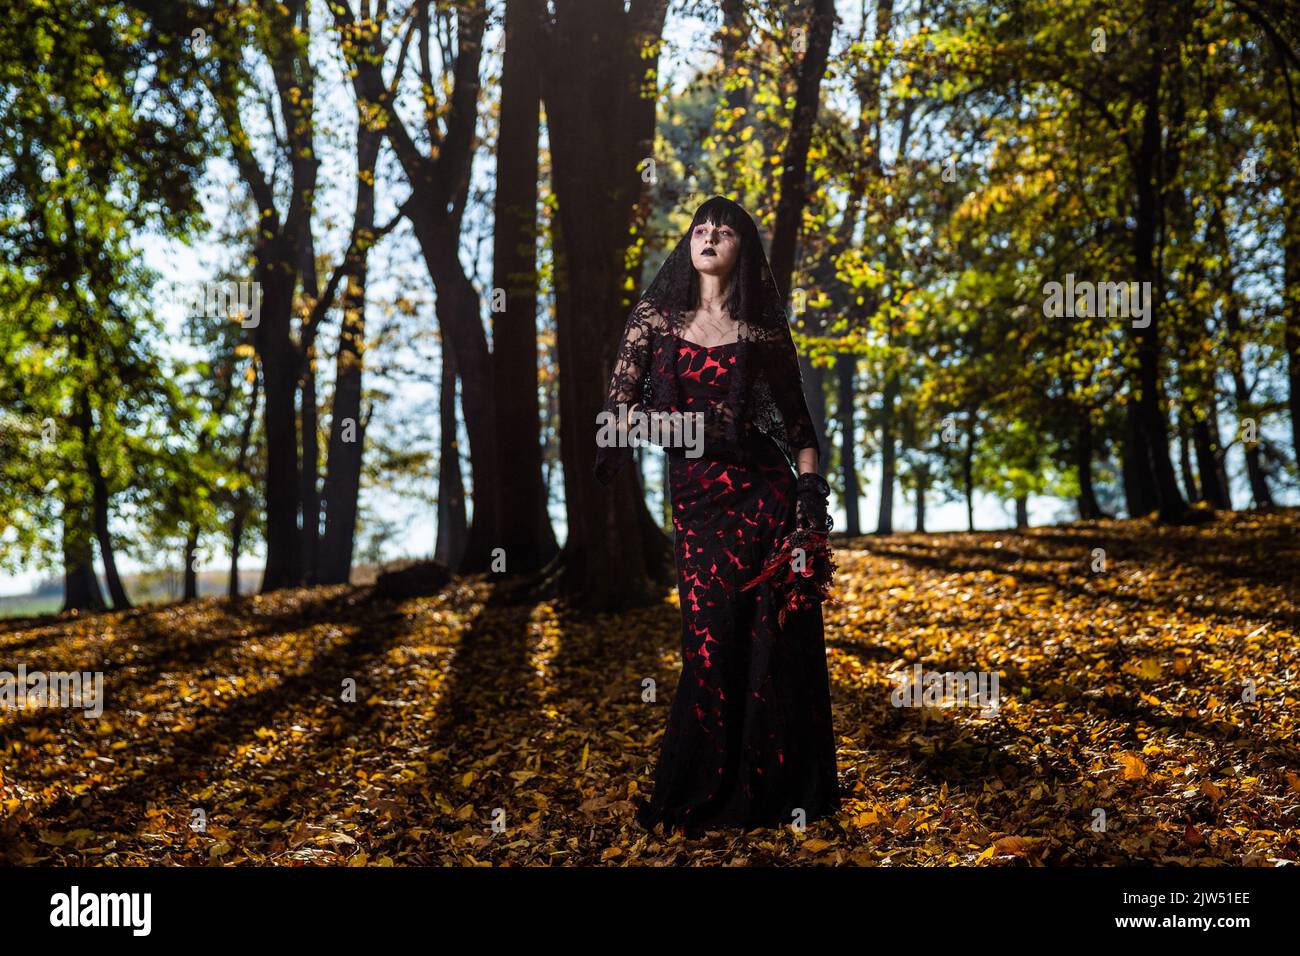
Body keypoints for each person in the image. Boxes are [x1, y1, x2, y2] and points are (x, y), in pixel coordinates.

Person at [594, 195, 840, 837]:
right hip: (700, 504)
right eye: (700, 229)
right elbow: (617, 418)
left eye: (723, 232)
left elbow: (801, 433)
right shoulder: (655, 320)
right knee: (708, 643)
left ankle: (774, 796)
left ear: (742, 250)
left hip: (768, 498)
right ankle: (702, 792)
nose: (709, 237)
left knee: (773, 643)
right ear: (689, 245)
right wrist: (693, 427)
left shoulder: (762, 332)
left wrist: (810, 507)